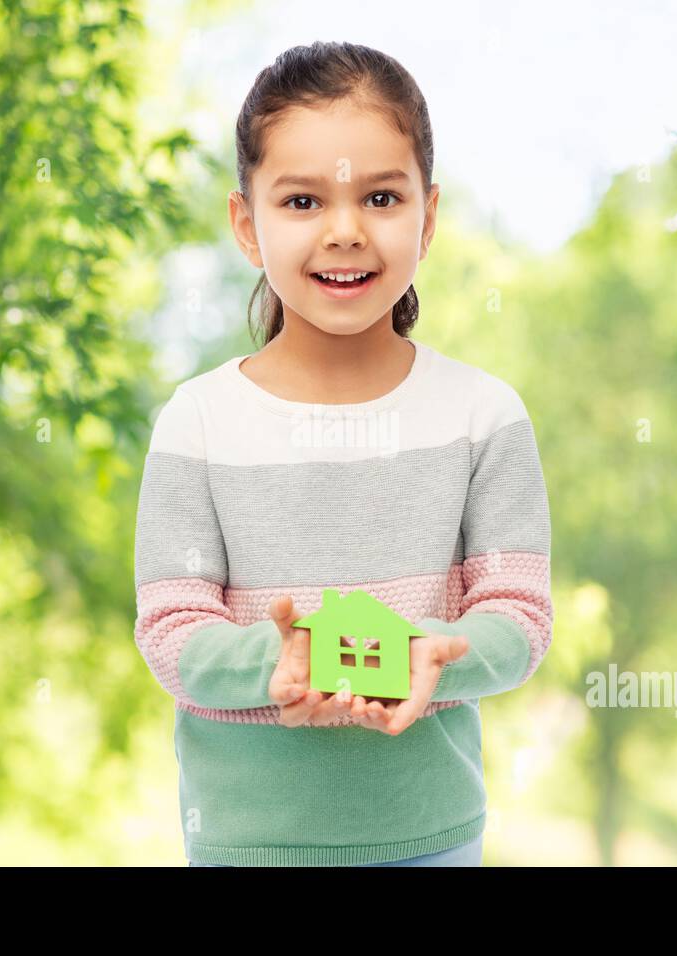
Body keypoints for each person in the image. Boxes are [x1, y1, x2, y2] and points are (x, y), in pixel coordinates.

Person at [133, 40, 552, 867]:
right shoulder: (198, 423)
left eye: (382, 197)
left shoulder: (483, 415)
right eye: (302, 201)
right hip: (246, 846)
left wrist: (427, 654)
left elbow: (518, 616)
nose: (346, 231)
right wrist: (281, 662)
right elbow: (174, 632)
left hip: (432, 843)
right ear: (246, 225)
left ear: (428, 219)